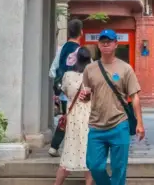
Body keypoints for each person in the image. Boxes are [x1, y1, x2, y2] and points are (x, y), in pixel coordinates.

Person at [80, 29, 145, 185]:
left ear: (116, 44)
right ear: (98, 45)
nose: (106, 44)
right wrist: (86, 96)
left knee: (119, 169)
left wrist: (140, 123)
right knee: (94, 165)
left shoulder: (125, 68)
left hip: (119, 124)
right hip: (96, 126)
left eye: (109, 41)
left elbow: (135, 96)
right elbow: (89, 92)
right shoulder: (90, 69)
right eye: (103, 41)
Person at [53, 46, 94, 185]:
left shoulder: (67, 76)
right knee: (89, 150)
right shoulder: (92, 76)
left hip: (73, 114)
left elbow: (64, 90)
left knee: (70, 148)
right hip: (89, 115)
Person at [49, 18, 84, 157]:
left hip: (64, 92)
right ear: (81, 32)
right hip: (79, 92)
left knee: (66, 117)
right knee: (78, 119)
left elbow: (52, 70)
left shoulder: (61, 49)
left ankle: (54, 146)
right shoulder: (82, 51)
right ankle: (75, 149)